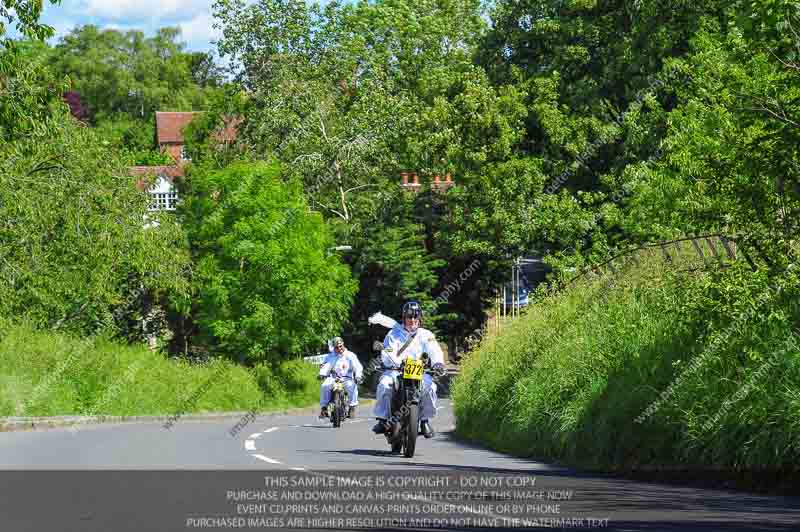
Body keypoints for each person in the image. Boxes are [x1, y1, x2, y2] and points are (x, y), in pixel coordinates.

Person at [372, 301, 445, 438]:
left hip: (419, 371)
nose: (412, 320)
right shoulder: (393, 333)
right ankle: (382, 419)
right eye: (409, 316)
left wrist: (438, 364)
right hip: (396, 370)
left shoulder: (426, 334)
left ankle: (424, 420)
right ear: (404, 318)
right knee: (384, 385)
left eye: (415, 316)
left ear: (419, 318)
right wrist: (394, 361)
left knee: (430, 387)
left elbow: (434, 350)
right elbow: (388, 351)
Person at [319, 337, 363, 419]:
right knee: (324, 386)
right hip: (333, 378)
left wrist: (358, 376)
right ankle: (324, 408)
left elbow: (358, 366)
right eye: (337, 347)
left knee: (351, 386)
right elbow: (325, 366)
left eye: (340, 346)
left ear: (343, 345)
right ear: (334, 347)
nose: (339, 349)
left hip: (347, 378)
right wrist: (322, 373)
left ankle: (352, 407)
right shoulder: (330, 356)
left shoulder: (350, 355)